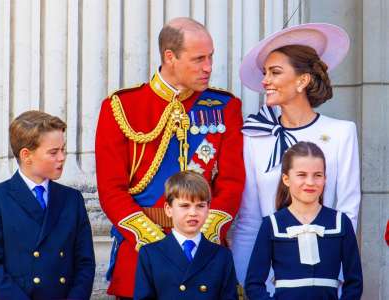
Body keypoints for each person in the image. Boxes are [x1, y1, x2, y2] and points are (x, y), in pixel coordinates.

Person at [95, 17, 245, 298]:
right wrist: (156, 245)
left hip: (204, 254)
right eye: (199, 58)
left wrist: (203, 233)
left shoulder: (225, 107)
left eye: (211, 57)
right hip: (141, 255)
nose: (208, 67)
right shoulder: (122, 107)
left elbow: (232, 183)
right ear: (170, 57)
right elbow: (111, 190)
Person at [230, 23, 361, 289]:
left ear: (303, 80)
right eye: (265, 72)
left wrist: (333, 282)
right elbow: (249, 219)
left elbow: (347, 214)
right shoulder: (254, 136)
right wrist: (245, 283)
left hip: (322, 280)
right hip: (269, 283)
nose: (265, 80)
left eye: (275, 72)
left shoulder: (341, 133)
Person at [0, 111, 96, 300]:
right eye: (53, 152)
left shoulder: (72, 199)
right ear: (26, 155)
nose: (62, 157)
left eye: (63, 149)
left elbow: (85, 264)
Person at [245, 141, 363, 300]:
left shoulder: (340, 222)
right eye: (302, 175)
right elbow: (253, 284)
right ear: (286, 179)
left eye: (318, 175)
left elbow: (354, 282)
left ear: (325, 178)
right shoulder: (271, 224)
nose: (310, 182)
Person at [134, 171, 238, 300]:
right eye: (185, 206)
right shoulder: (150, 254)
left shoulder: (222, 255)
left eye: (200, 206)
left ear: (208, 209)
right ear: (168, 209)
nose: (193, 213)